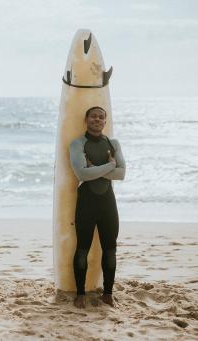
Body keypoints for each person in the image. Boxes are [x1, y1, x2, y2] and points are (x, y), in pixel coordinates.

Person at [69, 106, 125, 308]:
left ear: (105, 121)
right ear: (86, 119)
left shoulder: (113, 143)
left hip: (108, 203)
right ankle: (80, 294)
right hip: (86, 202)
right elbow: (82, 175)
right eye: (93, 116)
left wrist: (96, 169)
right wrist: (110, 166)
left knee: (110, 250)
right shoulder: (77, 144)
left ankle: (108, 294)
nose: (97, 120)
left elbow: (122, 174)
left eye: (101, 117)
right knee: (82, 249)